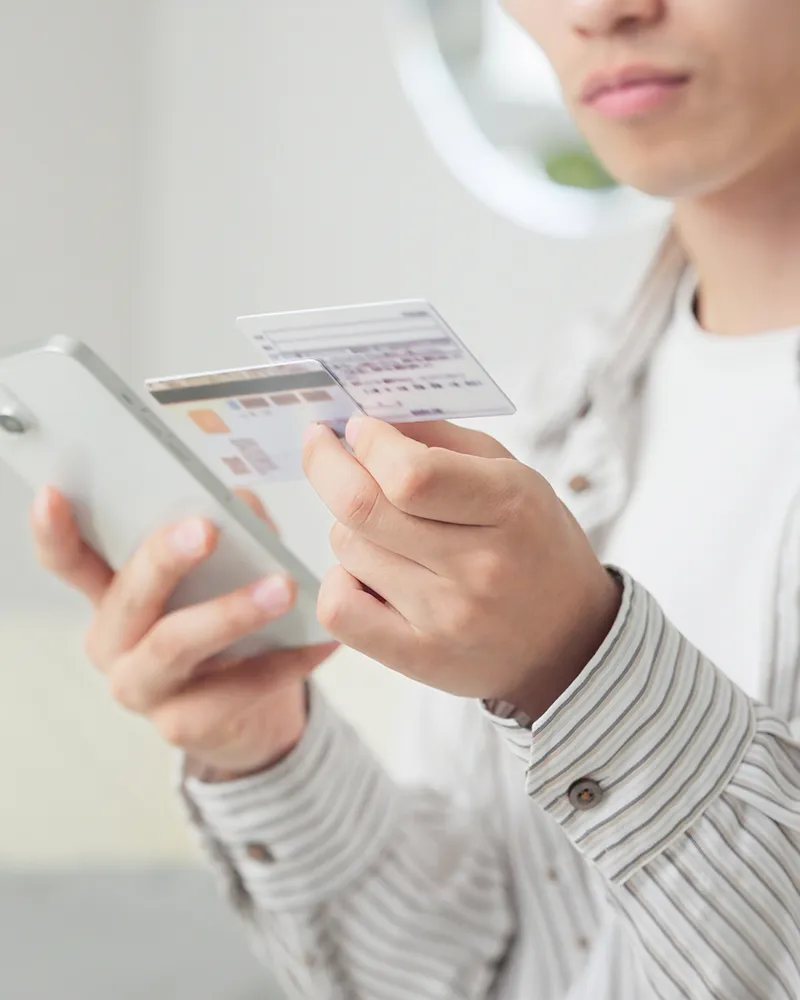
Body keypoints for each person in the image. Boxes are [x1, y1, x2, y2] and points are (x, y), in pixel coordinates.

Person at [28, 0, 800, 996]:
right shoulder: (544, 428)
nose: (601, 10)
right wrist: (266, 750)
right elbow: (469, 962)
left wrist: (578, 665)